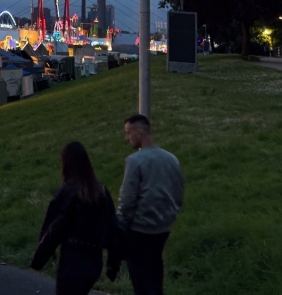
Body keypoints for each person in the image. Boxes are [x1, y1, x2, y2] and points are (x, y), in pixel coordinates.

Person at [30, 142, 118, 294]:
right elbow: (113, 227)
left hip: (72, 258)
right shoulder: (101, 192)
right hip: (94, 260)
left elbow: (56, 227)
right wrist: (113, 263)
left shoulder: (68, 192)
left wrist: (39, 257)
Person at [115, 115, 185, 295]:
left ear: (139, 132)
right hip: (163, 228)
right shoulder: (171, 158)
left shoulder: (134, 161)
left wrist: (121, 224)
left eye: (128, 133)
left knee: (140, 281)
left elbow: (127, 199)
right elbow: (178, 192)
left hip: (139, 229)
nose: (127, 138)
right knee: (154, 273)